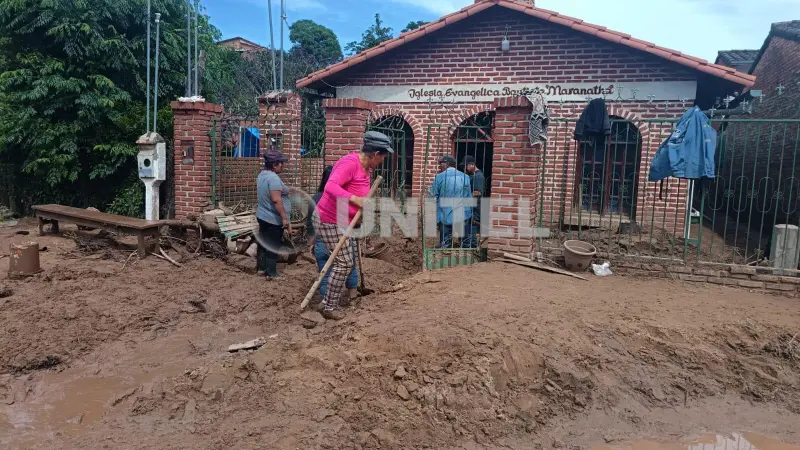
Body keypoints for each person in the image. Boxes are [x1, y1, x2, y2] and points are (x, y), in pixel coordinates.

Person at [314, 131, 393, 320]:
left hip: (343, 221)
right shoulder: (350, 163)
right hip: (328, 219)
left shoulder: (366, 170)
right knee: (345, 262)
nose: (383, 161)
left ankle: (327, 302)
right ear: (374, 154)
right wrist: (355, 199)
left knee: (346, 262)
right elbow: (330, 186)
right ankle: (328, 306)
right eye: (383, 156)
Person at [307, 165, 359, 305]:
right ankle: (352, 298)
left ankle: (326, 302)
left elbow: (311, 224)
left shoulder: (315, 198)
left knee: (325, 273)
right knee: (350, 267)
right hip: (342, 239)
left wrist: (312, 243)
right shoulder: (343, 199)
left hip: (322, 242)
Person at [256, 149, 291, 279]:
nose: (283, 165)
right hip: (272, 218)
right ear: (274, 165)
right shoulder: (274, 178)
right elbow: (276, 200)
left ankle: (262, 269)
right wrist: (284, 218)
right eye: (281, 163)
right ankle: (271, 273)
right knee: (273, 245)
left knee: (264, 244)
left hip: (262, 215)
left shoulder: (261, 175)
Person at [430, 155, 472, 249]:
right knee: (464, 241)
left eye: (441, 164)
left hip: (445, 213)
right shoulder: (465, 177)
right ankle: (466, 257)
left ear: (446, 164)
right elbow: (468, 196)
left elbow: (432, 195)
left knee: (445, 241)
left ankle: (445, 253)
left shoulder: (440, 177)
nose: (440, 166)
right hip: (463, 213)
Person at [463, 155, 486, 248]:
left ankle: (472, 246)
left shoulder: (478, 176)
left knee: (472, 225)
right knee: (469, 225)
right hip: (472, 205)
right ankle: (469, 244)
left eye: (466, 166)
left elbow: (478, 192)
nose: (465, 168)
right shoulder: (474, 175)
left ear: (472, 165)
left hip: (475, 206)